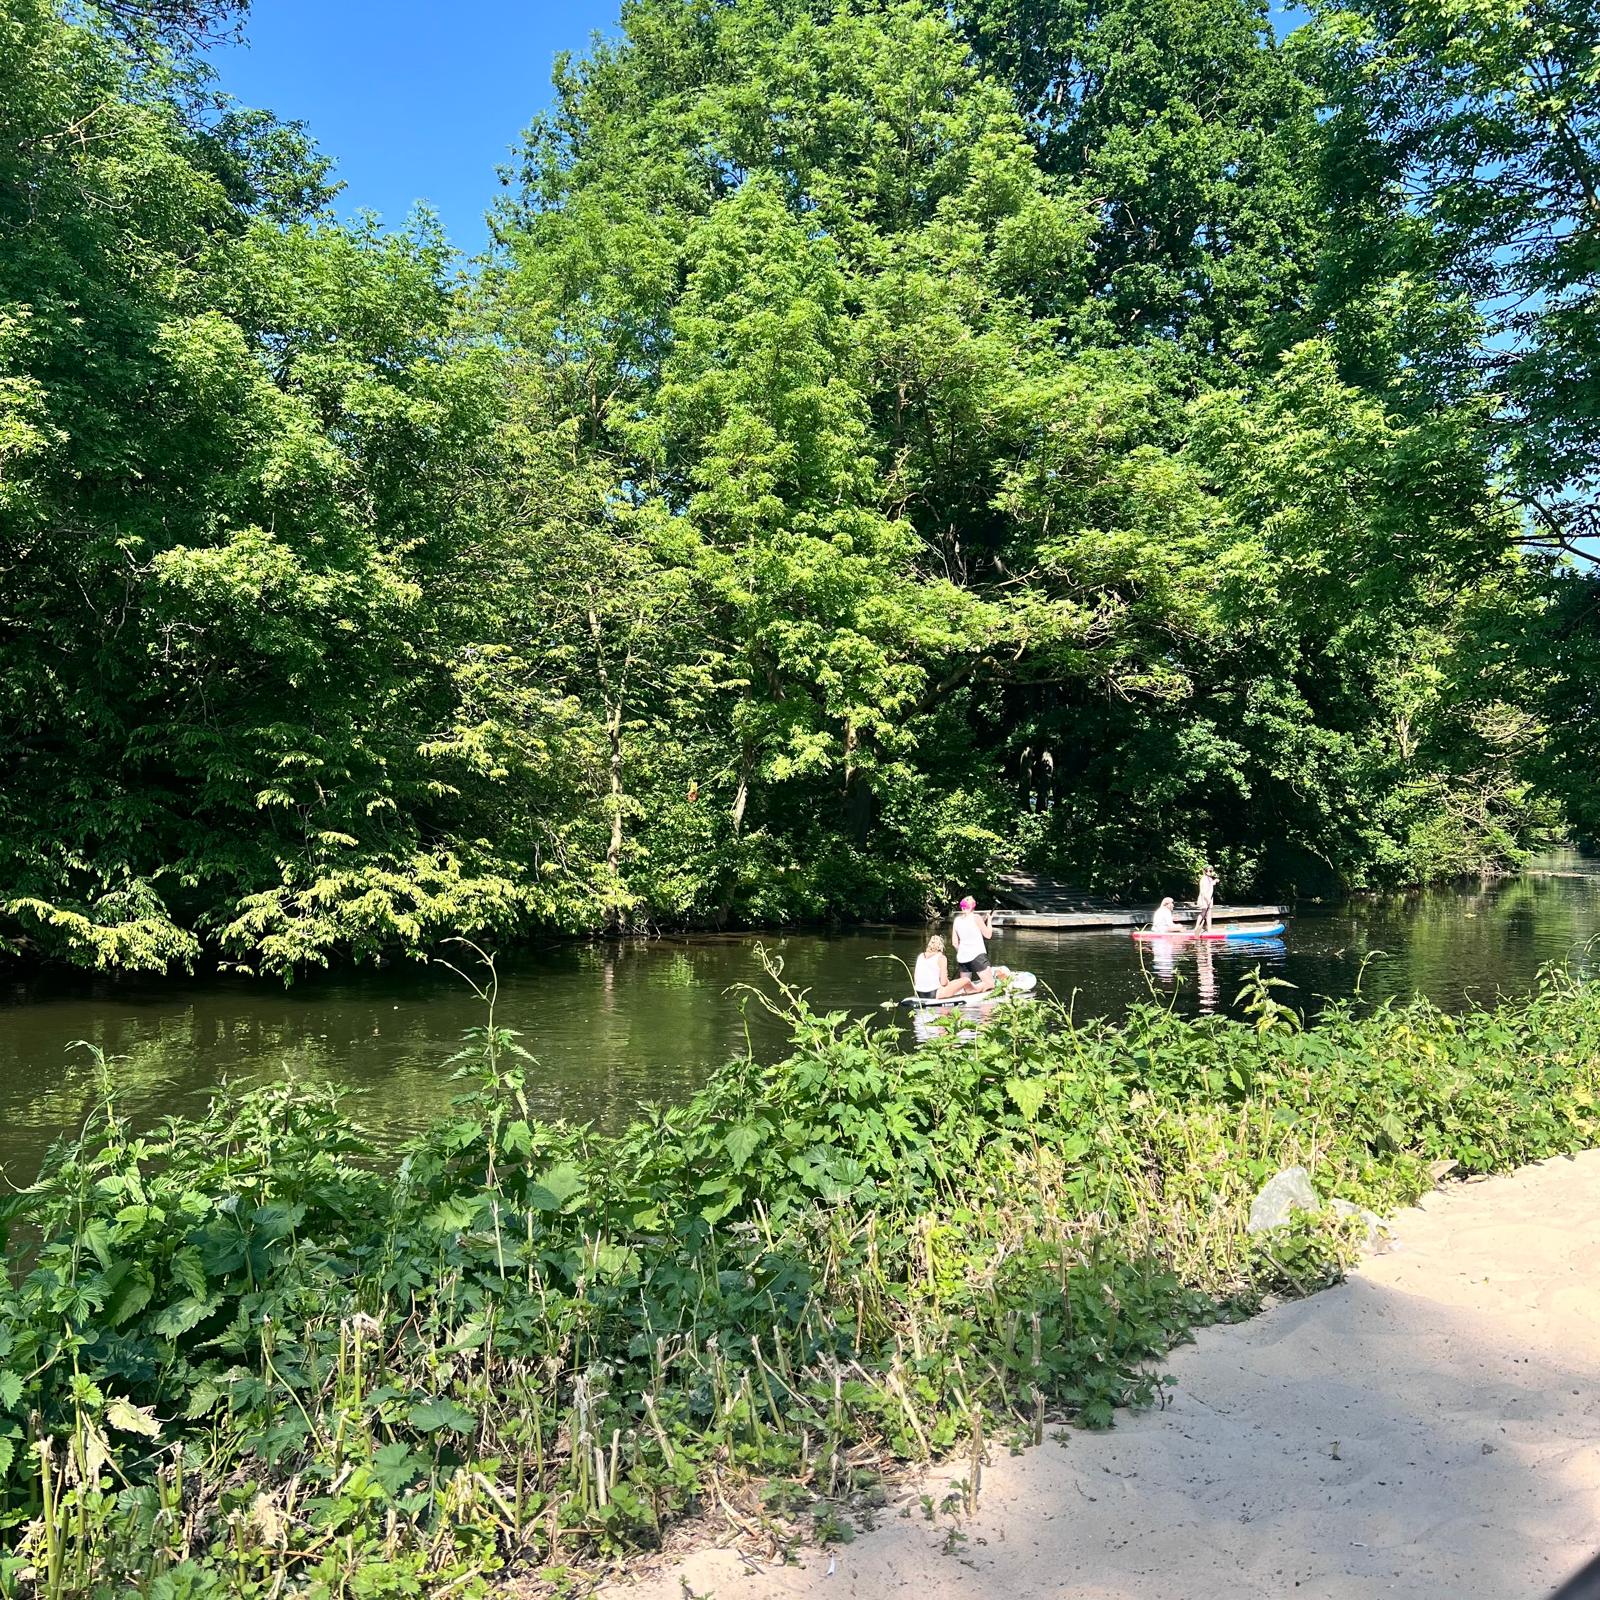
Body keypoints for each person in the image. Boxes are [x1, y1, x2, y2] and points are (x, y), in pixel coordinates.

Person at [951, 895, 996, 992]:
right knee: (990, 984)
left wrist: (962, 952)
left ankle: (968, 991)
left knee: (966, 986)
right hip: (977, 955)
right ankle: (975, 990)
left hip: (962, 957)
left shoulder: (956, 920)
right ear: (973, 907)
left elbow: (954, 943)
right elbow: (988, 935)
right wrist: (989, 921)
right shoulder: (976, 918)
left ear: (962, 907)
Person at [913, 934, 970, 1000]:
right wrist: (947, 982)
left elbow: (916, 979)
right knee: (966, 980)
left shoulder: (920, 956)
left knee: (953, 983)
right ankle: (976, 991)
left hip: (919, 993)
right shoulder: (941, 957)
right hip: (934, 994)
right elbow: (943, 983)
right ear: (942, 947)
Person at [1195, 864, 1219, 933]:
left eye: (1212, 871)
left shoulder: (1210, 879)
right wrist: (1207, 899)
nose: (1211, 872)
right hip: (1204, 898)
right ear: (1205, 871)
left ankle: (1209, 929)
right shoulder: (1204, 879)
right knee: (1203, 913)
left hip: (1209, 898)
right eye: (1210, 871)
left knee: (1209, 913)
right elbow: (1203, 891)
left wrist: (1215, 881)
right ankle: (1196, 927)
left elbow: (1211, 884)